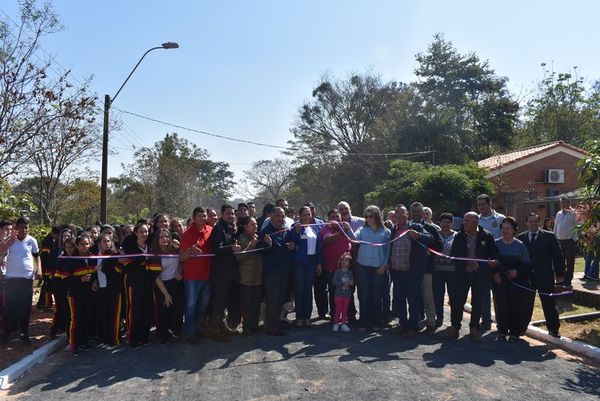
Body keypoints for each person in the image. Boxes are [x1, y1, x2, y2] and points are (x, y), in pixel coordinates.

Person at [448, 212, 498, 342]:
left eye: (467, 221)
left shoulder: (486, 236)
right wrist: (467, 261)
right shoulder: (459, 236)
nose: (464, 223)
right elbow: (454, 255)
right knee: (458, 301)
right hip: (462, 274)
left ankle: (474, 328)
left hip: (480, 275)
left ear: (476, 222)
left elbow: (494, 254)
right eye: (464, 221)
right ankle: (455, 326)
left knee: (477, 302)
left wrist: (492, 263)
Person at [388, 204, 433, 337]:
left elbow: (430, 238)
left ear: (407, 215)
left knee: (413, 300)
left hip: (411, 272)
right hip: (396, 272)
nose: (400, 216)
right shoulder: (393, 230)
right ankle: (403, 324)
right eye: (398, 214)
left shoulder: (415, 227)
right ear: (395, 216)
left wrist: (418, 235)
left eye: (403, 214)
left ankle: (413, 327)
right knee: (399, 299)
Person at [517, 212, 564, 338]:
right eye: (530, 221)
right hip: (527, 277)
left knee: (549, 304)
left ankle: (554, 329)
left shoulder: (549, 236)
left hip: (545, 276)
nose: (533, 223)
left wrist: (560, 273)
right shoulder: (521, 238)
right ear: (526, 223)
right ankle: (521, 328)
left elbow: (557, 256)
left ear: (539, 222)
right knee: (525, 303)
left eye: (535, 221)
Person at [347, 205, 390, 331]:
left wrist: (385, 265)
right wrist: (349, 229)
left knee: (377, 296)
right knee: (364, 295)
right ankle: (364, 322)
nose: (368, 219)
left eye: (370, 216)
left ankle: (376, 322)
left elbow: (388, 250)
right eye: (366, 216)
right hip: (363, 267)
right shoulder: (362, 230)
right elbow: (353, 240)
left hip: (379, 267)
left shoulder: (386, 232)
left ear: (376, 216)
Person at [1, 217, 41, 345]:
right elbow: (1, 251)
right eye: (22, 227)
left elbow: (37, 257)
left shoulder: (32, 241)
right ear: (16, 228)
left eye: (27, 227)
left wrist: (38, 269)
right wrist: (9, 240)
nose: (24, 230)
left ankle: (24, 333)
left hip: (27, 278)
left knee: (25, 307)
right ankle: (7, 333)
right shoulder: (10, 240)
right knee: (10, 307)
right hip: (11, 278)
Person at [258, 207, 295, 336]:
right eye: (278, 216)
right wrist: (267, 244)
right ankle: (271, 327)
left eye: (282, 216)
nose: (280, 218)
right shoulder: (265, 232)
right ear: (271, 217)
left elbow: (291, 244)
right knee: (272, 299)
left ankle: (276, 322)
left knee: (280, 298)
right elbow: (261, 251)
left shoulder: (285, 230)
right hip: (272, 271)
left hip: (284, 269)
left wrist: (292, 247)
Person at [494, 217, 531, 342]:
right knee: (501, 305)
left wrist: (518, 272)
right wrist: (495, 274)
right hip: (500, 280)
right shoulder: (496, 244)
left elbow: (526, 264)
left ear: (514, 230)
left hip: (516, 281)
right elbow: (491, 261)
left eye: (508, 228)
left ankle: (514, 332)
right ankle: (502, 331)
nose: (505, 231)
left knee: (515, 305)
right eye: (503, 228)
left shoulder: (520, 245)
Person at [208, 204, 241, 341]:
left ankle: (224, 327)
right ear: (222, 214)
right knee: (220, 304)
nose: (231, 216)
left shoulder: (230, 228)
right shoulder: (218, 229)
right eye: (228, 214)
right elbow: (217, 249)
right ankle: (216, 331)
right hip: (221, 273)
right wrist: (231, 248)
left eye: (233, 214)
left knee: (227, 302)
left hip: (231, 272)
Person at [180, 207, 213, 342]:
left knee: (203, 304)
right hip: (192, 277)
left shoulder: (211, 230)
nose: (203, 218)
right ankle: (190, 332)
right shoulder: (187, 234)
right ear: (193, 218)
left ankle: (200, 328)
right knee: (191, 305)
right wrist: (189, 251)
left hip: (208, 275)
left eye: (204, 216)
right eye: (199, 216)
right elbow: (181, 258)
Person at [121, 222, 156, 349]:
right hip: (134, 282)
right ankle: (133, 338)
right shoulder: (130, 248)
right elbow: (128, 265)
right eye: (141, 231)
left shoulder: (150, 246)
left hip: (148, 281)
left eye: (146, 231)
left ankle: (144, 336)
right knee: (135, 310)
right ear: (136, 233)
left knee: (146, 309)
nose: (144, 234)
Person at [61, 234, 97, 355]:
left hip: (89, 294)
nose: (85, 247)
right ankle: (74, 345)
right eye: (82, 244)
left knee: (87, 318)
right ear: (77, 245)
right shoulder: (71, 259)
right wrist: (80, 279)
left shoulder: (92, 257)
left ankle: (84, 341)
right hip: (75, 295)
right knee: (75, 320)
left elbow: (94, 274)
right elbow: (65, 279)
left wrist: (94, 282)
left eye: (87, 244)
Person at [409, 202, 442, 333]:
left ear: (423, 213)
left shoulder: (430, 228)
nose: (416, 214)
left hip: (427, 268)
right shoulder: (407, 226)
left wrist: (430, 251)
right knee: (413, 297)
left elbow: (439, 245)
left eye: (419, 211)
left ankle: (430, 322)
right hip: (410, 268)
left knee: (428, 296)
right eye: (414, 211)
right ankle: (415, 321)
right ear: (410, 212)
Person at [236, 216, 270, 335]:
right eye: (252, 224)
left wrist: (266, 243)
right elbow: (238, 257)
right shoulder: (241, 238)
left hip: (257, 276)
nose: (255, 226)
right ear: (245, 227)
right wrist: (251, 246)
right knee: (247, 305)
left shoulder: (257, 237)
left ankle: (254, 326)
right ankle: (247, 328)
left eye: (256, 224)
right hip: (246, 278)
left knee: (256, 304)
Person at [288, 206, 322, 328]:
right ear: (299, 215)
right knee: (299, 290)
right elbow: (292, 243)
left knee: (308, 290)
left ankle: (307, 317)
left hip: (312, 262)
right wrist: (297, 232)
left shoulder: (315, 227)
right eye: (304, 215)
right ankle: (299, 317)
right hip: (299, 262)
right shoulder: (295, 227)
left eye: (309, 214)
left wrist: (319, 262)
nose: (307, 217)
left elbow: (319, 247)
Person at [316, 209, 352, 320]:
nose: (335, 219)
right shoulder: (325, 228)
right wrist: (342, 231)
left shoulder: (346, 227)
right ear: (328, 219)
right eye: (332, 217)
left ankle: (348, 315)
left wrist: (347, 229)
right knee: (334, 293)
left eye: (337, 217)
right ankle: (334, 316)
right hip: (332, 268)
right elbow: (328, 239)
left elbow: (354, 241)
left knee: (347, 291)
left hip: (347, 267)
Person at [476, 194, 505, 331]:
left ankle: (502, 323)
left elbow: (506, 237)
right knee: (484, 295)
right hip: (482, 264)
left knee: (499, 295)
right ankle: (486, 321)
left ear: (490, 204)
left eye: (483, 204)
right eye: (479, 205)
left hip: (498, 262)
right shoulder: (476, 220)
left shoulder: (500, 219)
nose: (481, 207)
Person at [150, 228, 183, 344]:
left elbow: (181, 262)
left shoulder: (175, 249)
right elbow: (156, 277)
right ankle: (163, 334)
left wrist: (179, 271)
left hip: (175, 283)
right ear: (157, 239)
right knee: (163, 310)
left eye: (166, 236)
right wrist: (166, 295)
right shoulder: (154, 254)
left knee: (177, 308)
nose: (165, 239)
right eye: (161, 237)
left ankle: (176, 330)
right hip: (161, 285)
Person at [94, 232, 124, 348]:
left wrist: (104, 268)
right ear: (99, 243)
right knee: (104, 313)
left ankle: (115, 339)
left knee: (114, 314)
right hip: (102, 288)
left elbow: (119, 270)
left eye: (109, 241)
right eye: (104, 241)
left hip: (114, 289)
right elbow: (95, 271)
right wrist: (95, 281)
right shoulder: (97, 254)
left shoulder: (115, 254)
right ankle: (106, 338)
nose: (107, 244)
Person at [432, 213, 457, 328]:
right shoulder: (435, 235)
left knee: (453, 295)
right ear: (440, 223)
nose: (446, 224)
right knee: (438, 295)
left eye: (448, 222)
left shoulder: (457, 236)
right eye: (443, 222)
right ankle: (439, 317)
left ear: (451, 223)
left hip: (453, 271)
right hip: (437, 270)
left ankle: (454, 319)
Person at [50, 228, 74, 338]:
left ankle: (70, 334)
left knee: (70, 312)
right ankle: (54, 330)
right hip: (59, 285)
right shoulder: (56, 251)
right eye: (64, 236)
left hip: (72, 287)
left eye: (68, 236)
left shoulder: (77, 254)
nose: (66, 238)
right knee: (59, 309)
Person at [554, 197, 578, 288]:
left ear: (569, 203)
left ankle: (568, 280)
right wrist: (554, 237)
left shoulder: (573, 213)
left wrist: (574, 239)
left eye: (565, 203)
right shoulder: (558, 213)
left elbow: (577, 226)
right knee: (561, 261)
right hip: (559, 240)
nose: (563, 205)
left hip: (569, 240)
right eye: (561, 203)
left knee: (570, 261)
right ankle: (562, 279)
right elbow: (556, 226)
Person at [38, 227, 59, 310]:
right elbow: (44, 256)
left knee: (48, 285)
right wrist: (46, 268)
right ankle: (43, 303)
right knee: (47, 285)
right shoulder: (48, 241)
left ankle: (45, 303)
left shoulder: (52, 240)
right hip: (47, 267)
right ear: (54, 233)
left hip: (48, 267)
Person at [332, 253, 354, 332]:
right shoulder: (338, 272)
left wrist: (350, 283)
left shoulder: (350, 272)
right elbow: (334, 282)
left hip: (347, 295)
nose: (344, 262)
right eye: (342, 260)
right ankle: (336, 323)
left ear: (350, 263)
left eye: (346, 260)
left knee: (345, 310)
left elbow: (352, 282)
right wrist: (342, 283)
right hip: (338, 295)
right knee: (338, 309)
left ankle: (344, 323)